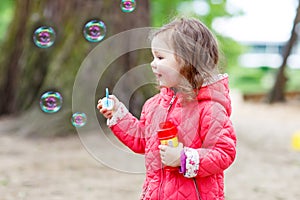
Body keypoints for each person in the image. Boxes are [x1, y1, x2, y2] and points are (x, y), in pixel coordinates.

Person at [97, 17, 236, 200]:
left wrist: (184, 158)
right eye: (153, 57)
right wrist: (118, 114)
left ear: (188, 61)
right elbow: (142, 141)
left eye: (160, 57)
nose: (153, 63)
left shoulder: (209, 108)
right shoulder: (154, 105)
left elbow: (224, 152)